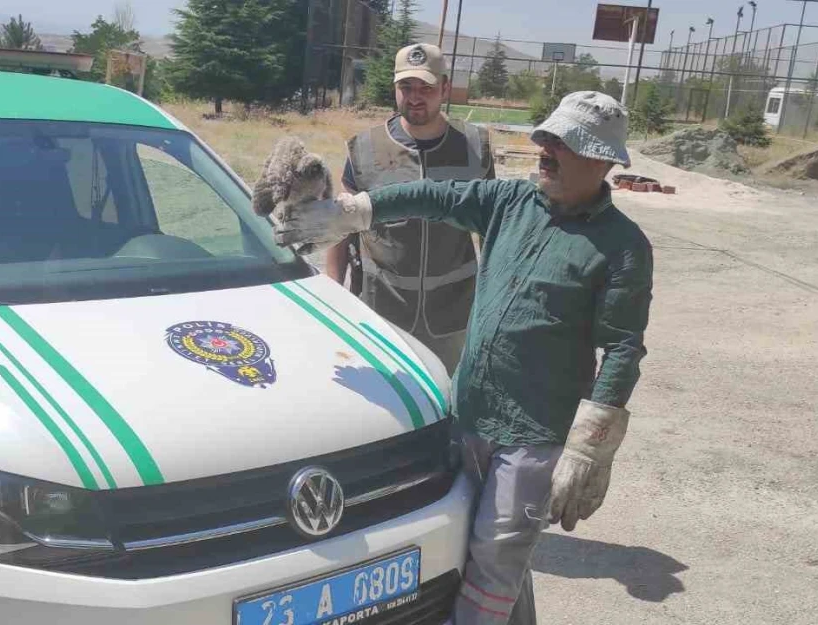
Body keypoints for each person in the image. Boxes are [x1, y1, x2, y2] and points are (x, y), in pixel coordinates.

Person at [273, 91, 654, 625]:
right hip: (469, 415)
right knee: (464, 554)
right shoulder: (509, 203)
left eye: (561, 143)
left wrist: (589, 450)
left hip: (534, 434)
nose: (543, 148)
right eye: (544, 137)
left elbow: (621, 348)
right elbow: (436, 196)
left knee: (495, 565)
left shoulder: (623, 246)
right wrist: (355, 212)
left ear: (602, 160)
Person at [325, 42, 494, 374]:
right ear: (395, 89)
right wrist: (333, 291)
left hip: (453, 315)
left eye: (426, 87)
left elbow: (492, 227)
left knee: (446, 403)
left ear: (445, 88)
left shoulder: (475, 146)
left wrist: (494, 298)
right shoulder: (364, 147)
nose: (415, 96)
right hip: (380, 311)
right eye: (406, 86)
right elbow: (341, 225)